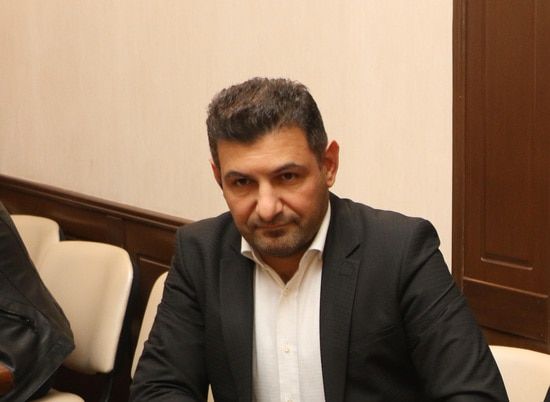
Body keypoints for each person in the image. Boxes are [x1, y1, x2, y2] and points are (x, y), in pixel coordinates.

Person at [130, 77, 508, 401]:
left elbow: (474, 393)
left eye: (287, 177)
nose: (267, 208)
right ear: (219, 178)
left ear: (328, 165)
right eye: (242, 182)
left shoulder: (400, 251)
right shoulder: (200, 253)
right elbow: (159, 387)